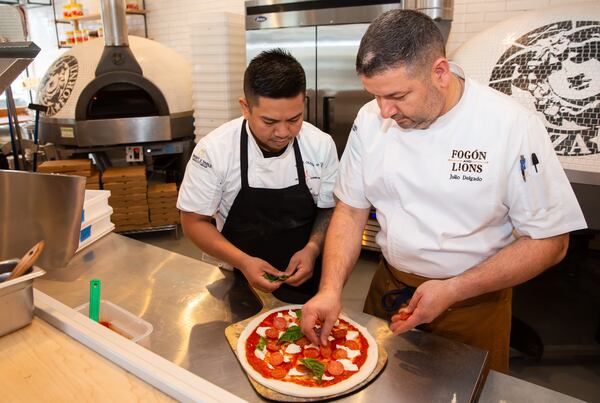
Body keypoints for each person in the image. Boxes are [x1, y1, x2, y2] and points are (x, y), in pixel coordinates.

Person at [301, 10, 587, 373]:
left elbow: (550, 242)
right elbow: (351, 209)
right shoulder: (370, 118)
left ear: (439, 72)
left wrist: (453, 289)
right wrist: (330, 288)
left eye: (398, 95)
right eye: (375, 96)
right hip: (389, 287)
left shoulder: (510, 126)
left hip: (472, 304)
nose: (385, 112)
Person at [177, 49, 339, 304]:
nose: (283, 132)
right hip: (237, 278)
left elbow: (329, 209)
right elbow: (193, 221)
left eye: (294, 119)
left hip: (306, 279)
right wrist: (242, 261)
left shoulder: (321, 145)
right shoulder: (215, 150)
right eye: (270, 121)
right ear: (245, 107)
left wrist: (313, 248)